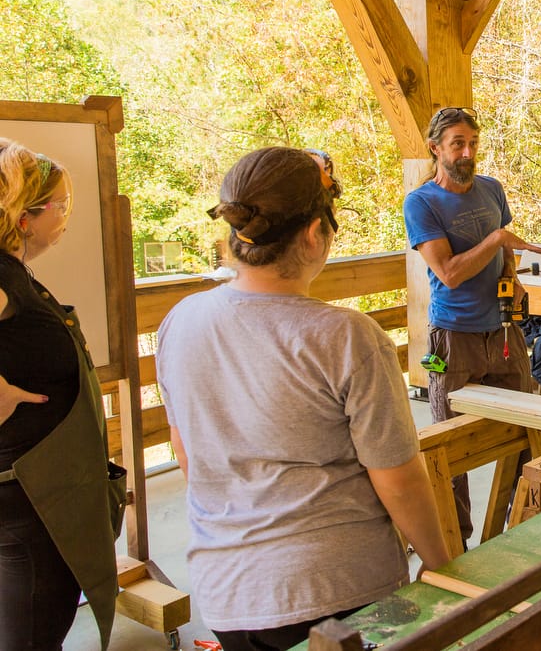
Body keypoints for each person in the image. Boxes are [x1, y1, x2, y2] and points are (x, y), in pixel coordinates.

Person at [158, 147, 450, 651]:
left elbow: (188, 455)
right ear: (315, 234)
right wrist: (441, 564)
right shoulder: (347, 337)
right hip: (336, 595)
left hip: (227, 592)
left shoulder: (180, 321)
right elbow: (397, 478)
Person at [403, 107, 541, 542]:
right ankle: (456, 539)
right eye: (457, 144)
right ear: (435, 148)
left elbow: (505, 252)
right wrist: (497, 239)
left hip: (502, 331)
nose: (468, 153)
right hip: (455, 337)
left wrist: (512, 277)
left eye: (473, 143)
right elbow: (447, 271)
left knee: (526, 431)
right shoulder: (422, 202)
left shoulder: (491, 189)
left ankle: (519, 527)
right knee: (450, 446)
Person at [0, 140, 120, 649]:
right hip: (29, 497)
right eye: (62, 206)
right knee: (33, 630)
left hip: (42, 489)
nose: (67, 216)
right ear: (26, 216)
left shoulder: (14, 272)